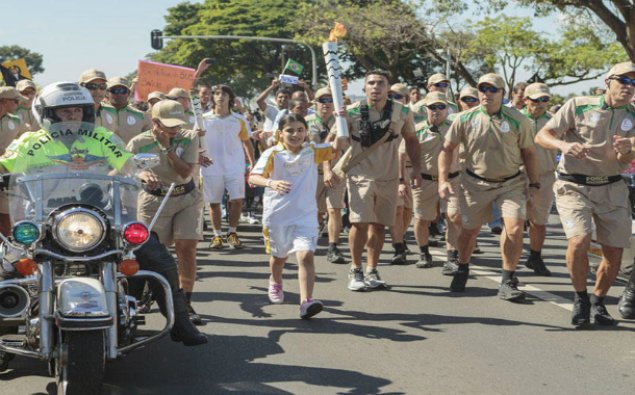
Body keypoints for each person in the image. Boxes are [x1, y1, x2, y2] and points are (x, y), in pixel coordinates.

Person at [0, 81, 206, 345]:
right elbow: (5, 164)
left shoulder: (104, 138)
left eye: (77, 110)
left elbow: (128, 164)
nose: (72, 116)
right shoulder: (30, 142)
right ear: (49, 114)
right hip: (44, 219)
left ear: (86, 112)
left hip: (101, 217)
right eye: (65, 111)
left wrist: (140, 172)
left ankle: (180, 323)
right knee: (8, 263)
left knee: (157, 256)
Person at [535, 61, 635, 328]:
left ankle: (598, 300)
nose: (629, 87)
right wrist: (563, 146)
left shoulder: (633, 115)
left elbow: (629, 156)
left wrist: (628, 149)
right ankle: (580, 297)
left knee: (614, 252)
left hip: (612, 187)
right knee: (579, 241)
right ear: (608, 82)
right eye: (624, 81)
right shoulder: (578, 104)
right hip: (573, 185)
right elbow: (542, 135)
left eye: (634, 83)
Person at [439, 73, 539, 302]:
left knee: (514, 228)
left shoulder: (518, 120)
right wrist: (443, 181)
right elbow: (446, 149)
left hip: (510, 183)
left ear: (503, 93)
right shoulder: (464, 119)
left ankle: (507, 280)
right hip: (475, 183)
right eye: (483, 89)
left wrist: (534, 183)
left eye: (493, 89)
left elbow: (529, 153)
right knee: (469, 231)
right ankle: (462, 267)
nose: (487, 93)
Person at [249, 113, 340, 319]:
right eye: (290, 130)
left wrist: (340, 121)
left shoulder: (313, 151)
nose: (296, 134)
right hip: (277, 215)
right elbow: (253, 177)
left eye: (300, 130)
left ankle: (306, 302)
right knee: (278, 258)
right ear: (281, 134)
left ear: (306, 132)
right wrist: (271, 183)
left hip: (305, 216)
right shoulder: (273, 154)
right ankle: (275, 280)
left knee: (306, 255)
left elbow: (337, 147)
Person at [127, 100, 205, 325]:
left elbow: (184, 173)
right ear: (155, 122)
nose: (174, 129)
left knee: (187, 248)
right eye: (168, 124)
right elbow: (123, 169)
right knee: (145, 251)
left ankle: (185, 303)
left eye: (177, 123)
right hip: (154, 200)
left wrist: (167, 148)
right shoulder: (138, 142)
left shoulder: (189, 137)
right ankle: (137, 297)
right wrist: (141, 175)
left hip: (187, 197)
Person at [344, 70, 422, 291]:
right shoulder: (350, 112)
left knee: (379, 226)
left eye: (381, 83)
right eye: (371, 83)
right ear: (364, 87)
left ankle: (372, 269)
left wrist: (416, 169)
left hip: (387, 176)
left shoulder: (402, 111)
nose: (376, 87)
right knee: (359, 223)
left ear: (388, 88)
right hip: (360, 175)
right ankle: (356, 269)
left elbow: (412, 141)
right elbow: (335, 143)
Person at [407, 92, 460, 271]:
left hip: (453, 180)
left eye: (441, 107)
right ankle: (424, 253)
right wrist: (402, 179)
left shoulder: (455, 128)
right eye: (432, 107)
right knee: (422, 218)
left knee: (453, 217)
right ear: (425, 109)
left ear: (447, 109)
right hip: (425, 180)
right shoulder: (417, 130)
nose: (437, 111)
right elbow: (402, 155)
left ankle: (452, 257)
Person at [201, 84, 255, 249]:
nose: (220, 96)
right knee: (214, 203)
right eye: (217, 93)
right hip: (211, 167)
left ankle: (232, 232)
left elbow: (247, 142)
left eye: (224, 94)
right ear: (212, 97)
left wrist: (253, 164)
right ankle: (217, 236)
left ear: (230, 98)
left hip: (234, 167)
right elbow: (196, 141)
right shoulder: (204, 119)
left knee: (237, 201)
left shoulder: (239, 119)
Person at [306, 87, 347, 264]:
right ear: (315, 103)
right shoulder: (306, 122)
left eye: (330, 100)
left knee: (334, 209)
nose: (327, 104)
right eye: (322, 100)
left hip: (336, 171)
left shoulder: (342, 122)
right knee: (314, 210)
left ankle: (333, 247)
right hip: (311, 173)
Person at [521, 83, 556, 276]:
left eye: (545, 100)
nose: (541, 104)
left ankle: (535, 257)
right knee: (515, 221)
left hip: (545, 177)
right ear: (526, 100)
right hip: (517, 177)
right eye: (536, 100)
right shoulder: (515, 119)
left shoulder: (554, 121)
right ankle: (510, 263)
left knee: (539, 221)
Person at [389, 83, 414, 264]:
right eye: (391, 96)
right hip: (389, 169)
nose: (394, 100)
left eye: (398, 97)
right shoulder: (381, 115)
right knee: (397, 209)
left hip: (410, 170)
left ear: (407, 99)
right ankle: (398, 245)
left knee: (407, 210)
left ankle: (401, 237)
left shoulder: (411, 116)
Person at [0, 86, 28, 235]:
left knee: (5, 221)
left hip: (5, 178)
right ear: (4, 102)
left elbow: (29, 139)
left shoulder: (16, 121)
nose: (19, 105)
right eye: (16, 101)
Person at [101, 76, 151, 143]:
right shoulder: (99, 111)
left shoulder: (141, 116)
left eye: (123, 91)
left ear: (128, 93)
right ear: (107, 93)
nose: (119, 94)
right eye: (114, 90)